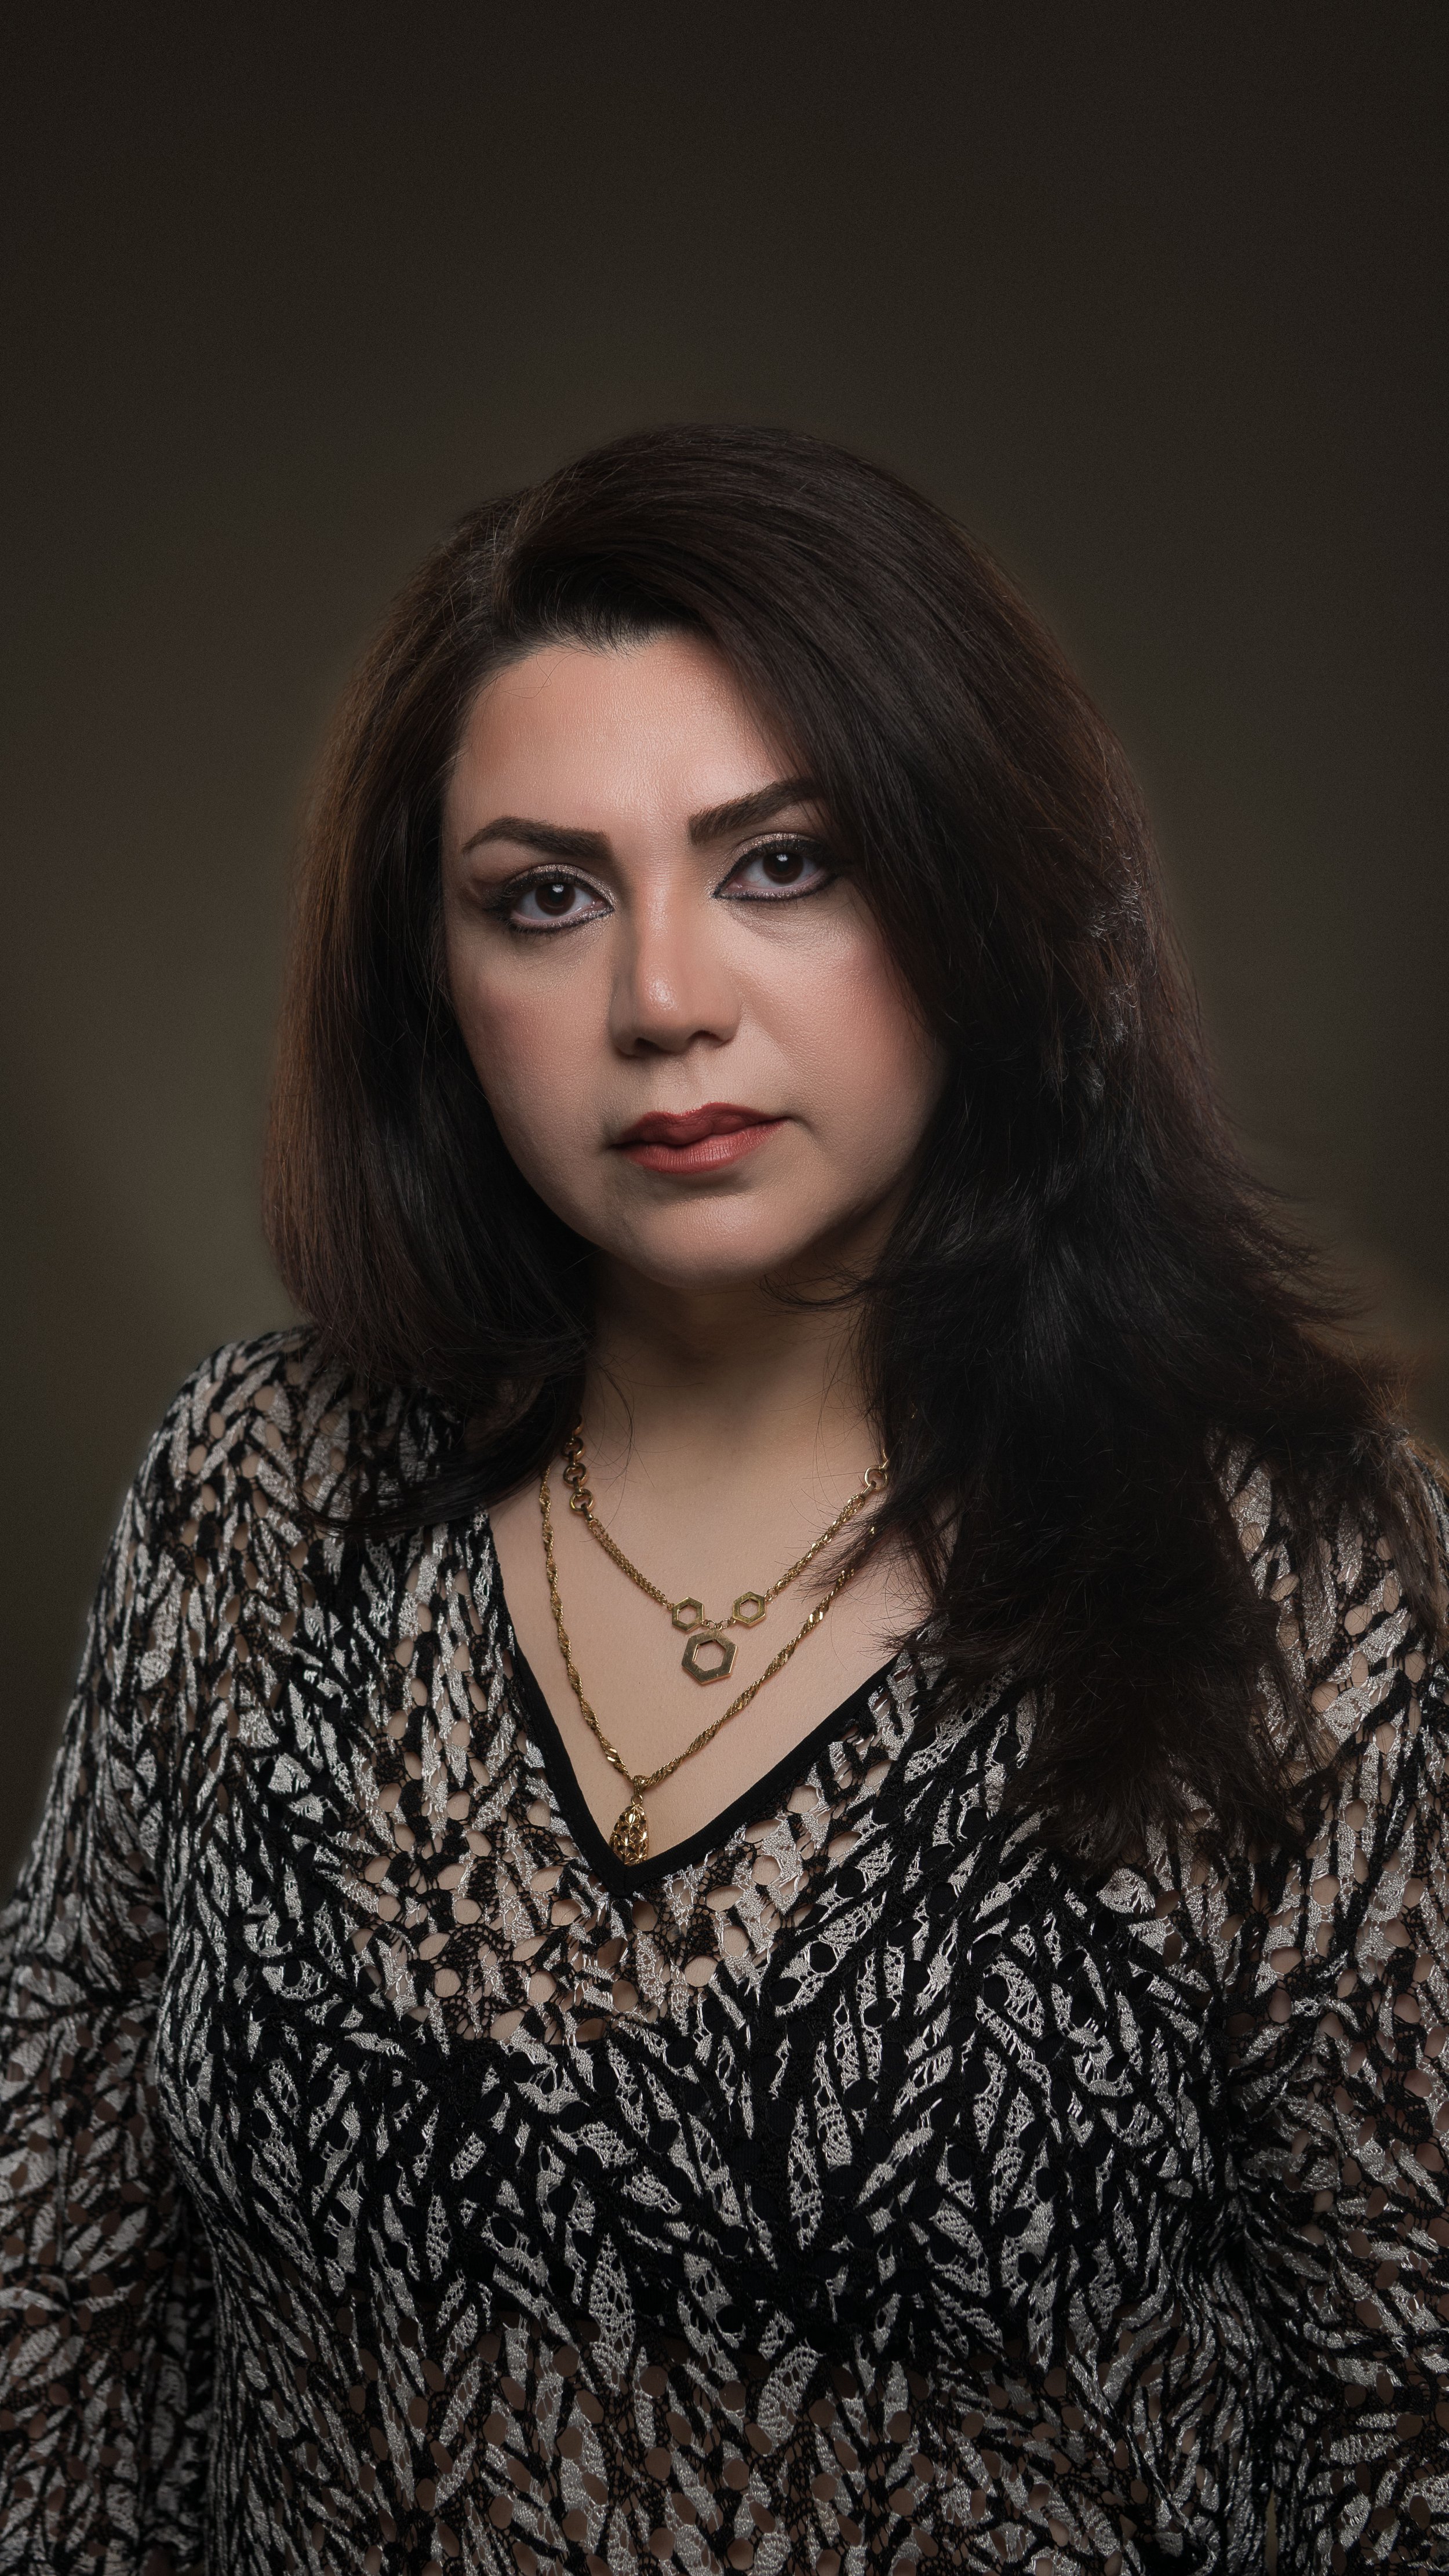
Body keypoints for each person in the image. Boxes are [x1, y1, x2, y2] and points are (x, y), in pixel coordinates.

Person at [2, 425, 1446, 2576]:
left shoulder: (1301, 1568)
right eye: (544, 897)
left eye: (784, 864)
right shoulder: (254, 1492)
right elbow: (59, 2316)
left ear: (981, 898)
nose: (662, 1002)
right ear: (435, 981)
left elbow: (1404, 2427)